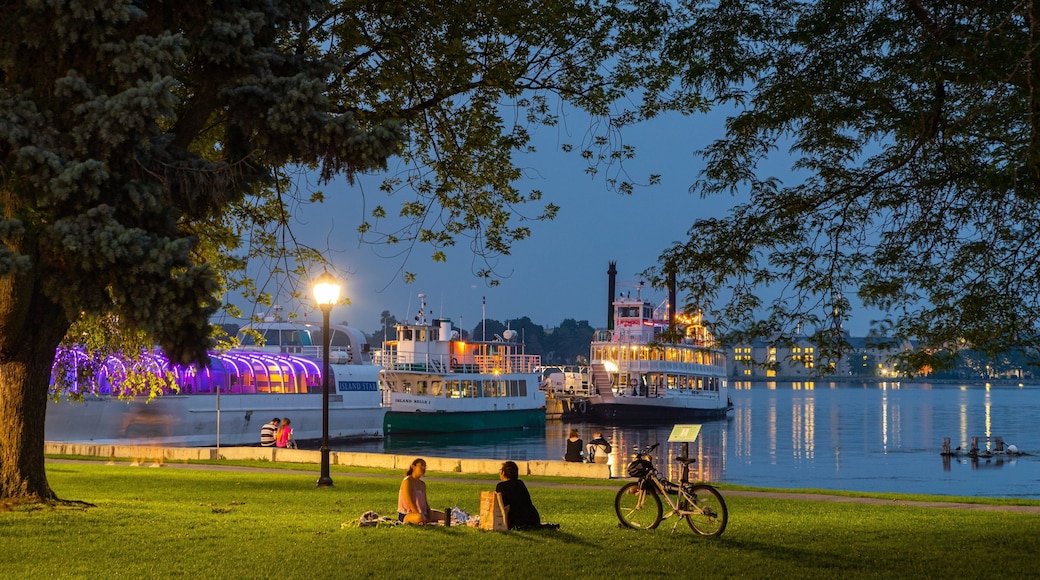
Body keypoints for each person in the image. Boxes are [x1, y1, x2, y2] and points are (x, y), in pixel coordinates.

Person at [397, 458, 447, 525]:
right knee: (420, 517)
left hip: (423, 513)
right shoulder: (407, 481)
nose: (424, 468)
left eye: (425, 466)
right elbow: (409, 502)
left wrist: (429, 512)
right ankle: (424, 519)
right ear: (413, 467)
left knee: (446, 516)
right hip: (407, 514)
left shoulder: (422, 484)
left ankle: (425, 519)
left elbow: (425, 503)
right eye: (422, 466)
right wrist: (418, 513)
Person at [495, 461, 541, 529]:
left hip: (516, 520)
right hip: (533, 519)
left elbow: (504, 508)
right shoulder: (520, 483)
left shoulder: (501, 486)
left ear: (503, 473)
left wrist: (505, 525)